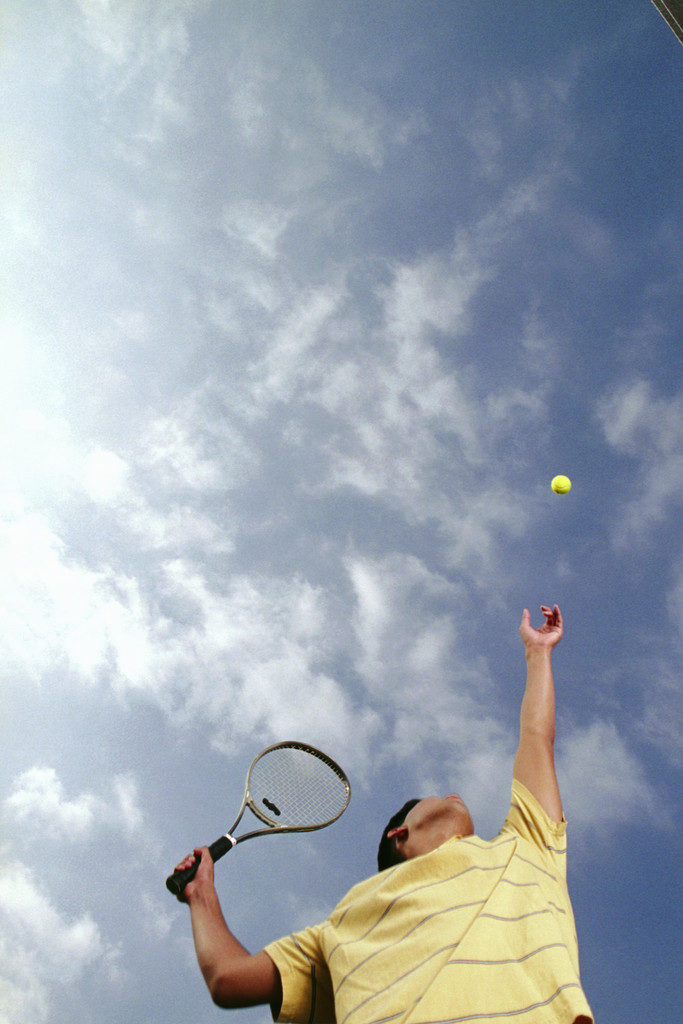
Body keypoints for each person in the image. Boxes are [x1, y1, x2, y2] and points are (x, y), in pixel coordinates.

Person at [172, 604, 593, 1023]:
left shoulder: (527, 848)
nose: (451, 793)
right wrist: (200, 893)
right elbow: (228, 979)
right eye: (433, 796)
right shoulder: (340, 924)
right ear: (399, 833)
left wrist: (538, 653)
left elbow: (537, 738)